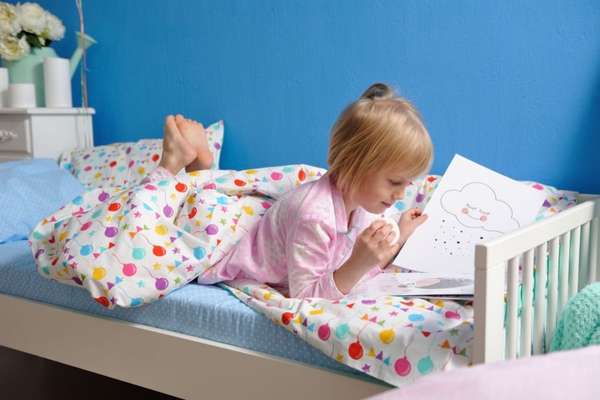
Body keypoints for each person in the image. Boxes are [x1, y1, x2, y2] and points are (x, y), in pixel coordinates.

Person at [158, 82, 433, 299]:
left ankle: (200, 168)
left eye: (408, 184)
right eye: (395, 182)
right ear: (354, 165)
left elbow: (368, 265)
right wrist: (357, 264)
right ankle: (179, 167)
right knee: (178, 216)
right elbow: (306, 298)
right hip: (217, 235)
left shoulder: (363, 205)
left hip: (270, 230)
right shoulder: (314, 215)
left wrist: (400, 237)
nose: (400, 194)